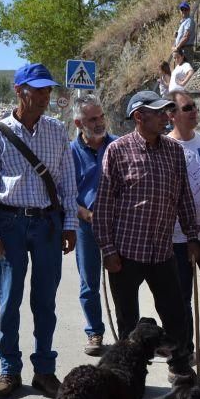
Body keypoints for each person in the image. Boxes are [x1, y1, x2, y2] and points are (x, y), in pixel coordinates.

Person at [0, 63, 78, 399]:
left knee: (45, 299)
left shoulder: (56, 131)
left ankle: (44, 370)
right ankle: (10, 369)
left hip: (48, 222)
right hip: (10, 223)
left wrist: (69, 224)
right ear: (20, 91)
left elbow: (67, 181)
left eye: (48, 89)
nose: (46, 95)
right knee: (9, 301)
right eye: (39, 89)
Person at [92, 90, 200, 377]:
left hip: (162, 251)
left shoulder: (174, 151)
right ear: (139, 117)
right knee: (128, 321)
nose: (167, 116)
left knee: (176, 314)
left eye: (167, 110)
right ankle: (130, 373)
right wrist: (108, 250)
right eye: (159, 112)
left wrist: (192, 237)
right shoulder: (117, 151)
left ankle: (179, 366)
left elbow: (183, 197)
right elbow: (103, 205)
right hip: (126, 252)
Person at [167, 90, 200, 361]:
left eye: (194, 107)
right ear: (172, 115)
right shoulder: (166, 147)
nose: (194, 112)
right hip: (177, 238)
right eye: (187, 108)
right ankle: (184, 350)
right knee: (181, 298)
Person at [69, 93, 118, 356]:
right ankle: (95, 332)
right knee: (89, 281)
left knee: (122, 278)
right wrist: (87, 215)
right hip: (85, 225)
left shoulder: (119, 146)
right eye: (92, 119)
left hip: (118, 224)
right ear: (78, 123)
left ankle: (127, 333)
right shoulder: (69, 153)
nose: (99, 122)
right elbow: (65, 194)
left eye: (101, 117)